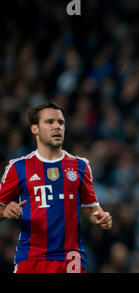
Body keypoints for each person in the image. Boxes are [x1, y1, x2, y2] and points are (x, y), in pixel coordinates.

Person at [0, 102, 112, 273]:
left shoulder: (80, 166)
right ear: (35, 129)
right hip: (32, 257)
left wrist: (101, 217)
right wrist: (5, 210)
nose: (57, 126)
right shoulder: (18, 167)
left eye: (60, 122)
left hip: (71, 258)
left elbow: (90, 207)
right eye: (49, 122)